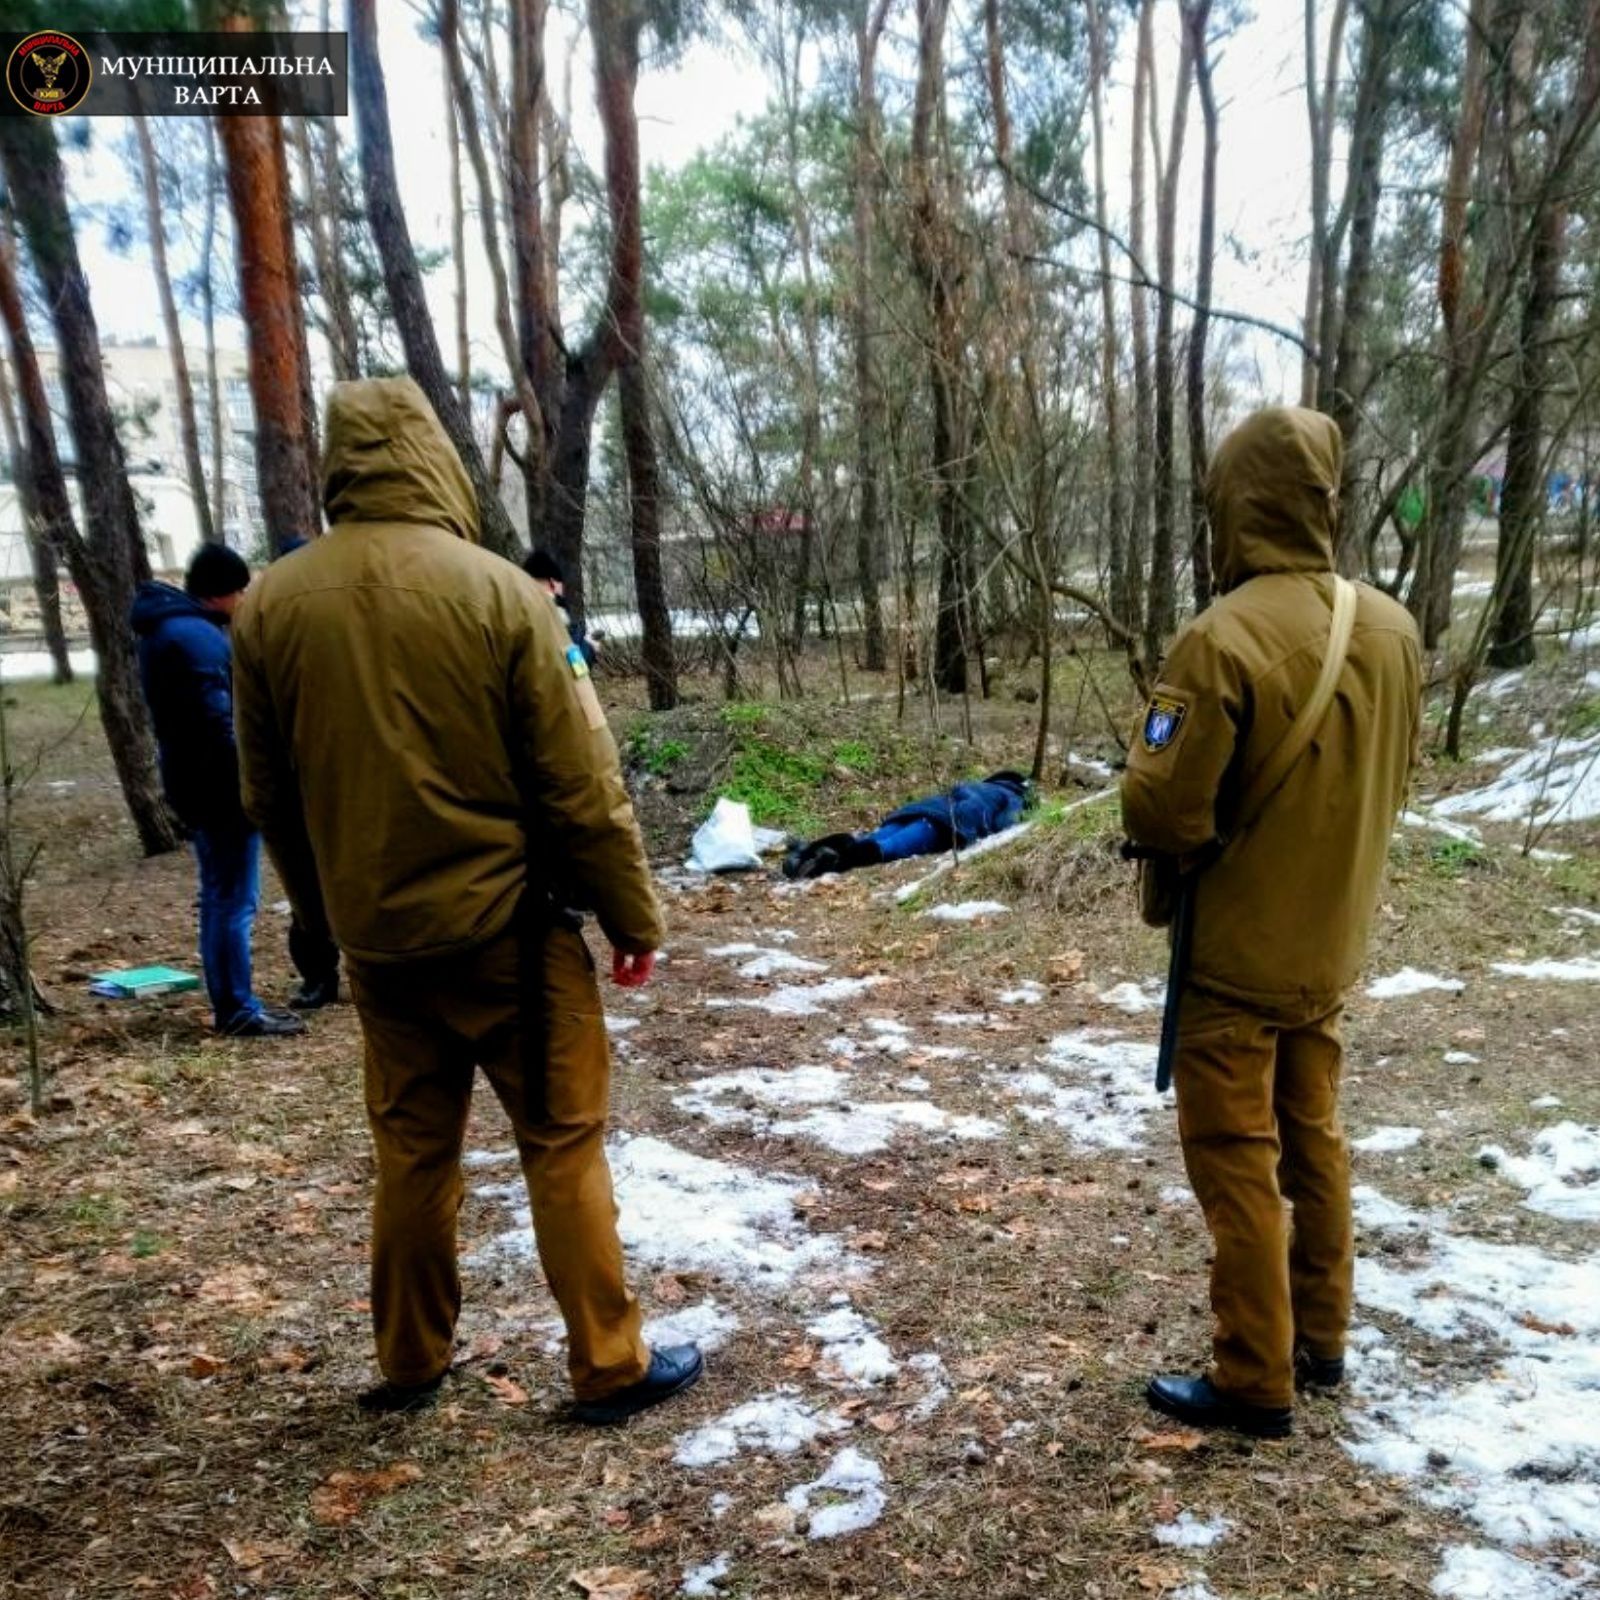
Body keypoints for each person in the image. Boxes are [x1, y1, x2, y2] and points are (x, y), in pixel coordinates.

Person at [233, 376, 701, 1421]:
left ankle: (408, 1361)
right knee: (561, 1141)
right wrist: (632, 917)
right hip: (511, 939)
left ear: (339, 463)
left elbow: (269, 796)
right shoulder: (498, 594)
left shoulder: (270, 604)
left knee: (411, 1152)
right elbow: (582, 784)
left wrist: (323, 923)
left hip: (381, 946)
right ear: (434, 458)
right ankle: (609, 1363)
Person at [1121, 407, 1420, 1438]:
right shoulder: (1393, 628)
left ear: (1235, 504)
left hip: (1234, 958)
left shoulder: (1221, 638)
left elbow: (1159, 808)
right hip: (1329, 945)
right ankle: (1323, 1340)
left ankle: (1253, 1374)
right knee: (1315, 1140)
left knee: (1236, 1156)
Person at [131, 544, 305, 1040]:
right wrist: (257, 773)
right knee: (234, 899)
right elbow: (222, 724)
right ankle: (237, 1008)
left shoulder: (166, 630)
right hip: (220, 789)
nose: (246, 598)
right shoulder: (199, 640)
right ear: (221, 593)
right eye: (242, 590)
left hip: (192, 783)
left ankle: (233, 1001)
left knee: (219, 896)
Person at [272, 536, 341, 1012]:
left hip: (349, 775)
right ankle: (319, 974)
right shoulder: (272, 626)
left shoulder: (342, 621)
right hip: (304, 780)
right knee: (309, 893)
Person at [783, 771, 1032, 879]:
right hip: (943, 824)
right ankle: (828, 866)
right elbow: (1007, 826)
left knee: (871, 838)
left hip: (915, 811)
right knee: (886, 848)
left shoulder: (972, 784)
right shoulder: (1012, 797)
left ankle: (806, 852)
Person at [524, 547, 598, 669]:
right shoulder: (554, 615)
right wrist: (589, 647)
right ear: (553, 583)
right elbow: (576, 668)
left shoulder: (519, 612)